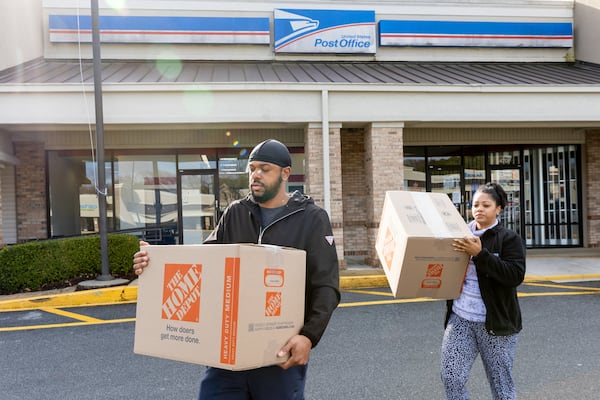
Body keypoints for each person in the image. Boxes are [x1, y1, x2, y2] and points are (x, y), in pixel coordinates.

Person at [132, 139, 341, 400]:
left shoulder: (311, 218)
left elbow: (326, 286)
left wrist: (308, 337)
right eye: (252, 168)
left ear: (285, 173)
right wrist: (155, 263)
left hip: (277, 354)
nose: (256, 175)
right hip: (228, 353)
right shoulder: (235, 213)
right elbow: (204, 262)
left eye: (265, 168)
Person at [442, 182, 526, 400]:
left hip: (496, 324)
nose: (479, 209)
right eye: (475, 204)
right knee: (451, 376)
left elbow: (515, 276)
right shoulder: (458, 234)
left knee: (501, 387)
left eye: (486, 205)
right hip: (460, 318)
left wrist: (480, 255)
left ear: (498, 208)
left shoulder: (509, 239)